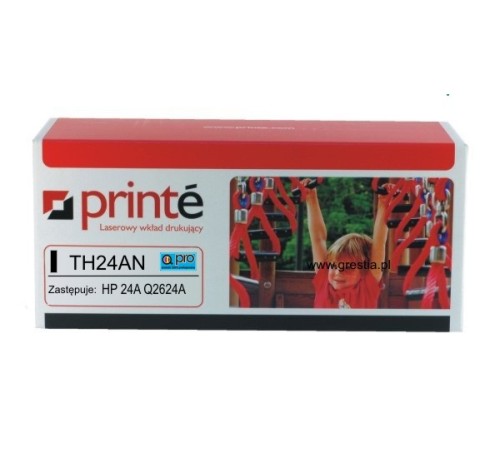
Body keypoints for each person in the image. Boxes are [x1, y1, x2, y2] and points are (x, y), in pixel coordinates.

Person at [303, 179, 392, 308]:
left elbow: (380, 242)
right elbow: (318, 239)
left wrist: (384, 203)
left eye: (349, 267)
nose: (338, 271)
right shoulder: (324, 280)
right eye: (334, 265)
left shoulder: (367, 287)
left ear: (364, 271)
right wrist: (311, 197)